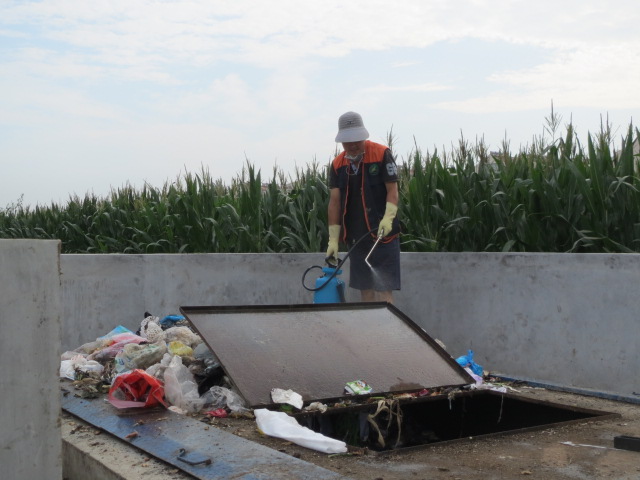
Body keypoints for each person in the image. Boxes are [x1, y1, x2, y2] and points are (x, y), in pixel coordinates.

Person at [326, 111, 401, 303]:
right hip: (357, 238)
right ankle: (368, 322)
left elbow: (392, 190)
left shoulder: (381, 154)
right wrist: (333, 240)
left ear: (363, 136)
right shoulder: (337, 165)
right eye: (347, 142)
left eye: (356, 141)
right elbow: (334, 203)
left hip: (383, 236)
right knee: (365, 290)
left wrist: (388, 218)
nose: (352, 146)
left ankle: (387, 323)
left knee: (384, 290)